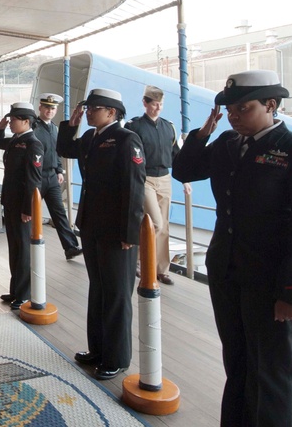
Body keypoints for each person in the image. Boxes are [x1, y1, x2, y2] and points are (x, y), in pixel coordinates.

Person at [172, 70, 292, 426]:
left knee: (270, 373)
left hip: (271, 282)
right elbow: (184, 170)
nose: (234, 115)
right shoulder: (227, 143)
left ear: (271, 105)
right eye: (230, 109)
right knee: (238, 364)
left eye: (244, 108)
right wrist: (203, 133)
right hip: (227, 271)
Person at [57, 89, 145, 382]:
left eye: (94, 108)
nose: (89, 111)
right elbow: (65, 149)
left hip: (116, 229)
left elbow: (134, 188)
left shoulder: (126, 139)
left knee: (117, 293)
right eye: (88, 107)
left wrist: (130, 233)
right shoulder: (90, 138)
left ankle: (117, 358)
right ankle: (98, 349)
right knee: (98, 289)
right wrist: (71, 125)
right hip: (92, 224)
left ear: (111, 112)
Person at [124, 85, 190, 286]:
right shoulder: (134, 127)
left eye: (161, 104)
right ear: (145, 103)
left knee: (164, 227)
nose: (158, 108)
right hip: (145, 178)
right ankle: (139, 262)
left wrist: (185, 179)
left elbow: (176, 155)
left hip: (165, 178)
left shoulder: (168, 127)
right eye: (154, 104)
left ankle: (161, 269)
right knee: (155, 222)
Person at [0, 103, 44, 310]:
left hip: (22, 206)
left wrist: (28, 209)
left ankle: (24, 294)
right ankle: (15, 290)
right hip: (11, 201)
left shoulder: (33, 144)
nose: (11, 122)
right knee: (14, 247)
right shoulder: (16, 140)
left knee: (23, 249)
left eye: (14, 120)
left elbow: (34, 181)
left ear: (26, 121)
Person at [34, 93, 83, 260]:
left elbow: (57, 152)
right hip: (36, 177)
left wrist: (59, 170)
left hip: (52, 176)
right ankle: (28, 245)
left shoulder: (55, 129)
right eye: (46, 107)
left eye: (52, 108)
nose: (49, 110)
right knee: (30, 211)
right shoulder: (32, 127)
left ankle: (70, 247)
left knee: (59, 212)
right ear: (40, 107)